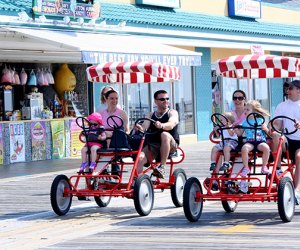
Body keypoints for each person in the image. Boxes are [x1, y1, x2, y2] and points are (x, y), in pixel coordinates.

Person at [135, 90, 179, 179]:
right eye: (162, 99)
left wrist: (162, 125)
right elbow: (144, 127)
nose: (166, 101)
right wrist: (139, 128)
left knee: (164, 135)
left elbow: (171, 124)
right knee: (139, 158)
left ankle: (162, 167)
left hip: (171, 144)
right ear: (156, 101)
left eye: (167, 98)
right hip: (153, 145)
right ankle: (137, 182)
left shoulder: (172, 112)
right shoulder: (151, 114)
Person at [272, 80, 300, 204]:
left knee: (299, 157)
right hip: (287, 140)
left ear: (298, 90)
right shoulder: (282, 105)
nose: (287, 91)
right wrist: (272, 128)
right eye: (287, 88)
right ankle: (277, 169)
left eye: (290, 88)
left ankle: (296, 190)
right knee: (275, 134)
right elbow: (277, 124)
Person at [236, 100, 271, 180]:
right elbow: (239, 134)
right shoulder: (244, 122)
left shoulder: (260, 120)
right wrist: (235, 128)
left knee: (266, 148)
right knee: (244, 149)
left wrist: (265, 129)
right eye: (245, 109)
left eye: (247, 110)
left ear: (254, 111)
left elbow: (267, 132)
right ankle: (246, 167)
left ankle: (264, 166)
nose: (245, 111)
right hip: (250, 142)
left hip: (260, 141)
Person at [101, 89, 129, 175]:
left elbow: (127, 130)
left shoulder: (122, 113)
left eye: (116, 98)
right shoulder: (102, 113)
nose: (115, 101)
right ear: (106, 99)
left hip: (118, 139)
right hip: (104, 139)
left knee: (108, 134)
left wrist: (114, 133)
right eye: (112, 98)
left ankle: (110, 161)